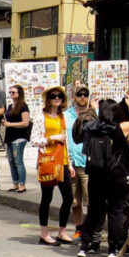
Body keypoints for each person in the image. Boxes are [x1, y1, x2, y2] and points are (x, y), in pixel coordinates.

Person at [74, 95, 129, 257]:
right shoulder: (120, 127)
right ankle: (112, 249)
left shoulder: (90, 127)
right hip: (115, 173)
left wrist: (95, 107)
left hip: (95, 173)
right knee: (116, 211)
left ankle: (84, 246)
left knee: (94, 211)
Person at [30, 85, 75, 246]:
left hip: (62, 162)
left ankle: (62, 231)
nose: (57, 98)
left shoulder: (63, 116)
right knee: (46, 197)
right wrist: (51, 138)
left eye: (59, 96)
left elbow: (66, 141)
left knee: (69, 197)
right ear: (48, 99)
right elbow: (33, 140)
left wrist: (69, 163)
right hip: (48, 161)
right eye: (53, 96)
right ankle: (44, 233)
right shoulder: (41, 116)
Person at [65, 82, 95, 240]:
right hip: (71, 162)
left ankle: (90, 230)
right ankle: (79, 228)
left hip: (87, 162)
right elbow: (64, 138)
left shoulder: (93, 114)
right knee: (74, 199)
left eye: (85, 94)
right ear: (73, 96)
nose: (82, 97)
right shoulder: (67, 115)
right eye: (79, 94)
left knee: (89, 199)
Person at [2, 84, 31, 192]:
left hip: (19, 137)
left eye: (13, 92)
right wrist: (5, 123)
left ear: (19, 94)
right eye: (10, 92)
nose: (11, 94)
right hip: (10, 136)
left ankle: (22, 184)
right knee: (11, 161)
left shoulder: (23, 106)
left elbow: (25, 123)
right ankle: (15, 183)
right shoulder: (10, 106)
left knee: (18, 161)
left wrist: (10, 124)